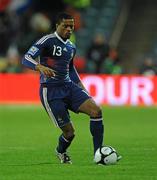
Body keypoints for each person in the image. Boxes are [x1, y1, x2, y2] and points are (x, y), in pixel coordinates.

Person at [22, 12, 108, 164]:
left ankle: (98, 154)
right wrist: (39, 66)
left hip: (69, 87)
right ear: (57, 26)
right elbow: (26, 58)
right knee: (69, 133)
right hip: (51, 91)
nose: (69, 29)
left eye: (71, 26)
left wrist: (82, 88)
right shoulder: (47, 40)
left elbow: (71, 70)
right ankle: (60, 151)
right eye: (65, 26)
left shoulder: (71, 47)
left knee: (96, 110)